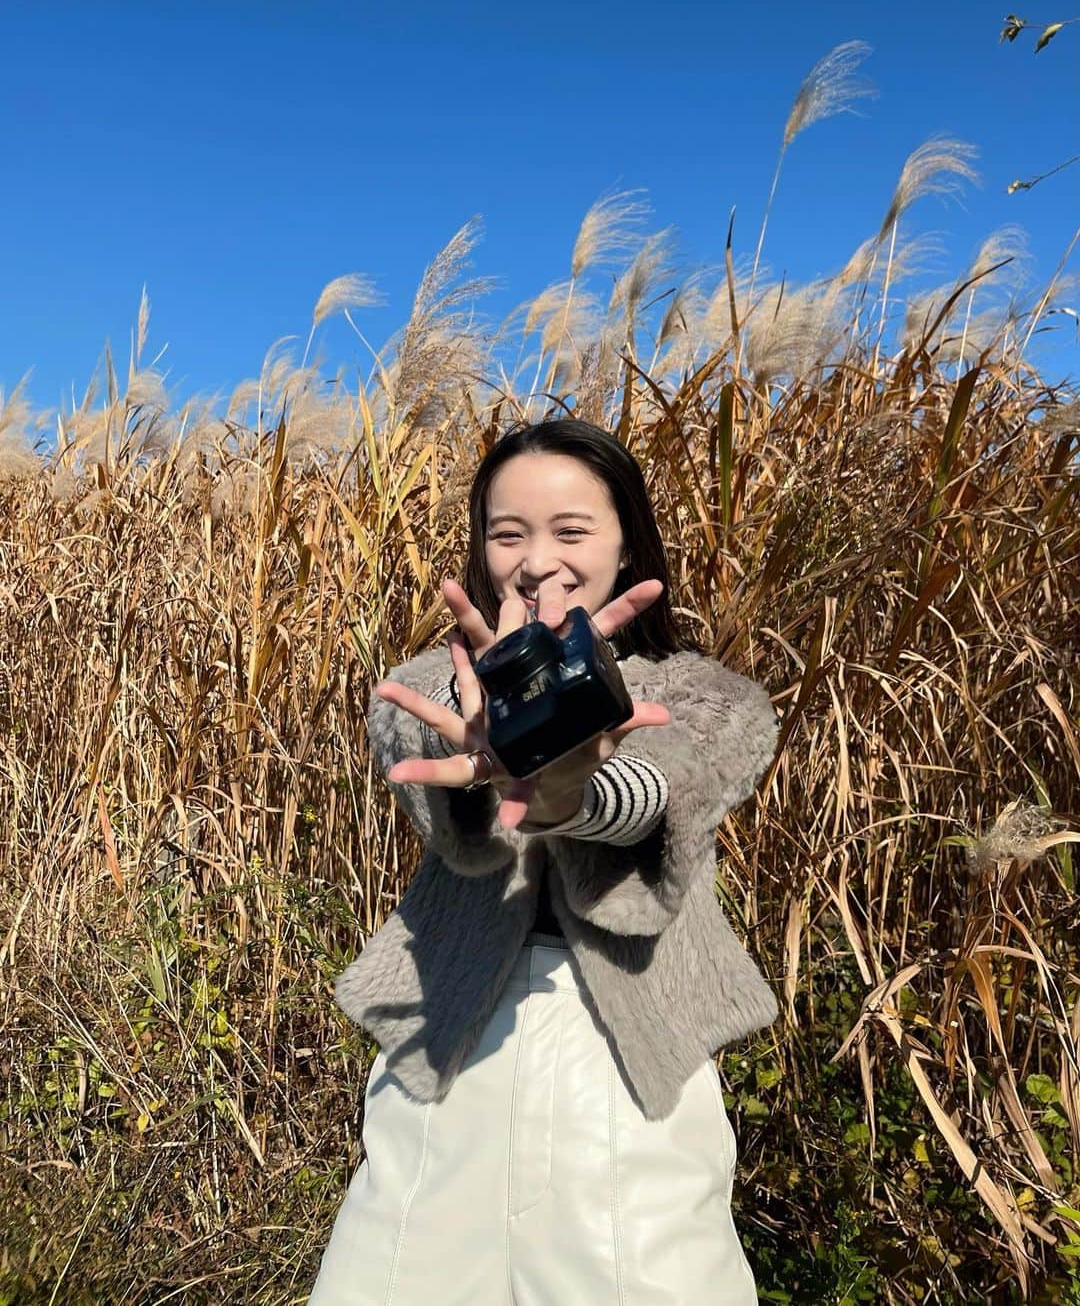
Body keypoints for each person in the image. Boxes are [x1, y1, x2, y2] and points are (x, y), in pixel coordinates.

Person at [309, 417, 780, 1304]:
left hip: (631, 1067)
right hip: (447, 1047)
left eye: (572, 531)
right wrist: (506, 752)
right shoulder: (434, 688)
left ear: (626, 541)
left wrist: (570, 789)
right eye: (507, 532)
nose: (535, 561)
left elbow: (655, 797)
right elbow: (458, 812)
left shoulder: (710, 698)